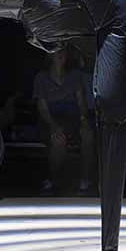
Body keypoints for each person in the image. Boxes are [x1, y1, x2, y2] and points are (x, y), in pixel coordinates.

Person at [33, 46, 94, 194]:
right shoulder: (41, 77)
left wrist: (84, 120)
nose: (61, 54)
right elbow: (42, 109)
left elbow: (81, 102)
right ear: (49, 55)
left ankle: (85, 180)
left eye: (63, 51)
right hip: (50, 119)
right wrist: (53, 126)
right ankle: (54, 180)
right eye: (57, 51)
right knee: (58, 139)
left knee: (88, 135)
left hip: (72, 118)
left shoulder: (74, 76)